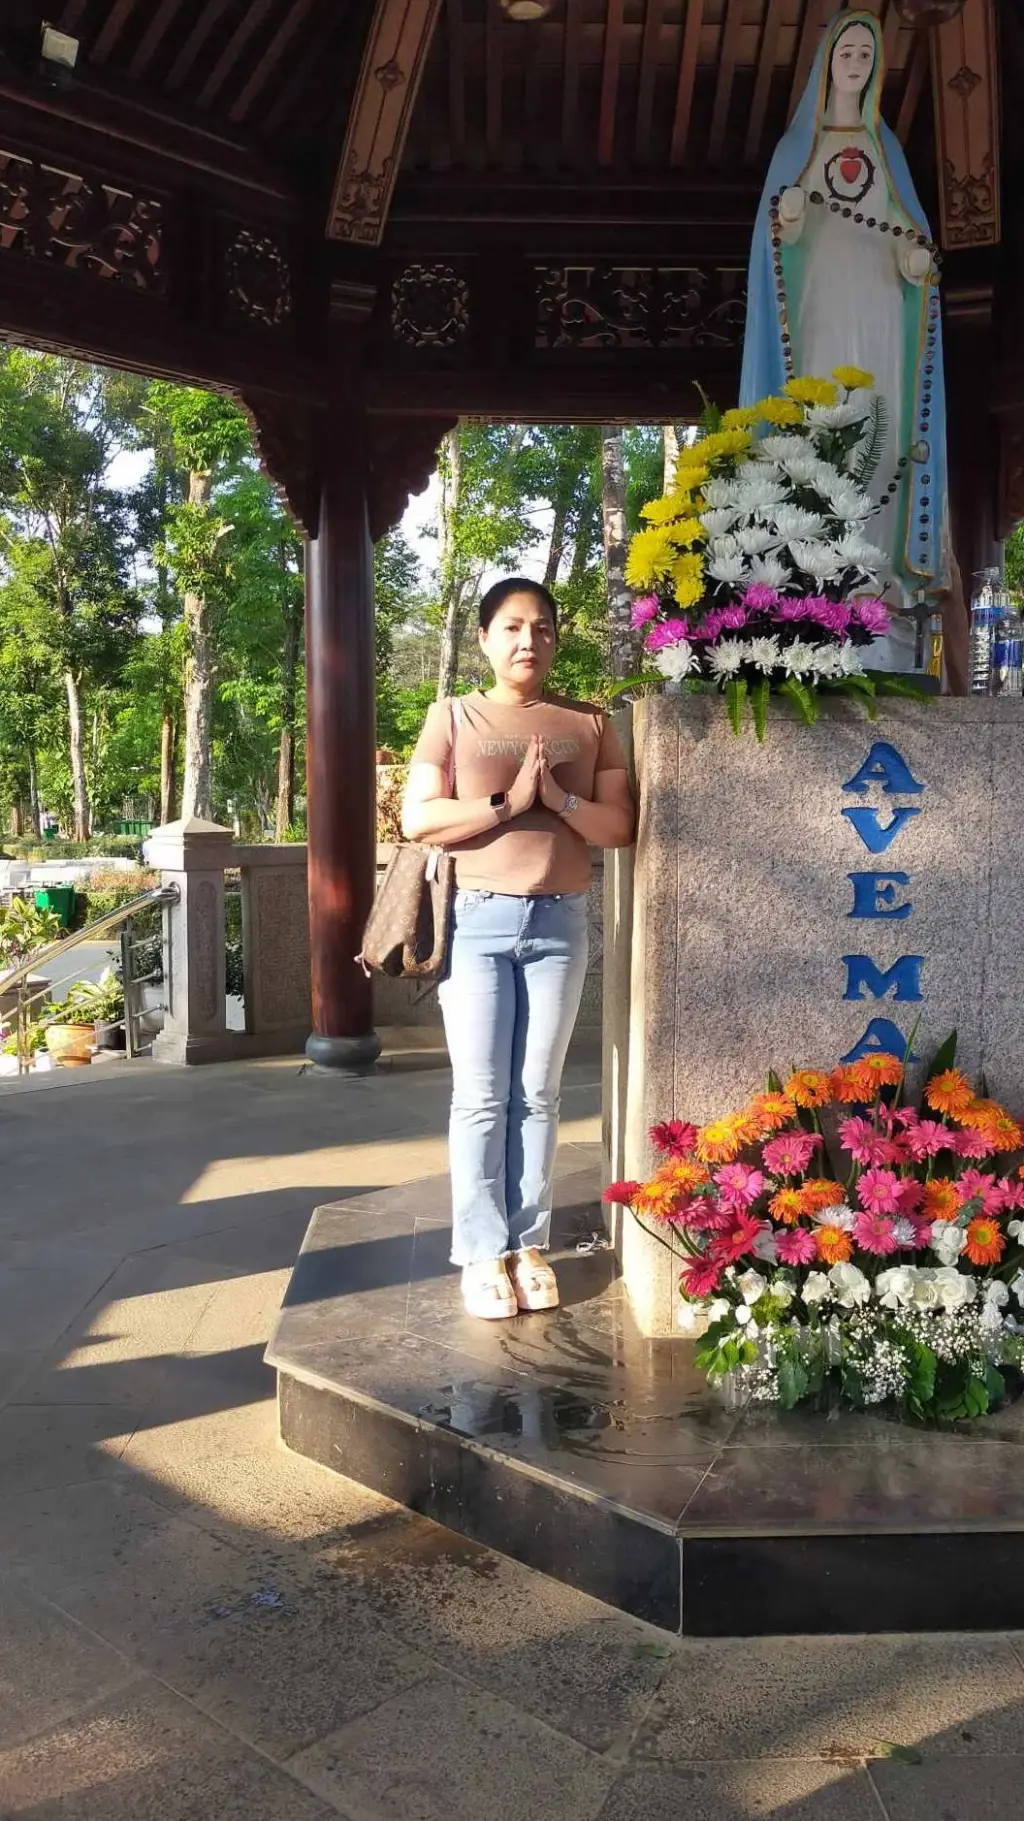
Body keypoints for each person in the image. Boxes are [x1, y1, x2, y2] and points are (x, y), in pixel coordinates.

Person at [402, 579, 635, 1321]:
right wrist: (507, 802)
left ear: (556, 638)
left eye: (541, 627)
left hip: (560, 924)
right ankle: (481, 1251)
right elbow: (418, 817)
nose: (527, 640)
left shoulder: (589, 723)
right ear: (483, 638)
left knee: (538, 1093)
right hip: (476, 923)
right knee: (481, 1095)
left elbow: (619, 827)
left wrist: (557, 799)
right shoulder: (453, 715)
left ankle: (528, 1244)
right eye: (510, 626)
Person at [740, 9, 948, 670]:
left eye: (865, 53)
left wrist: (915, 263)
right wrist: (789, 219)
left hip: (880, 311)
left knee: (879, 426)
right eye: (847, 51)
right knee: (821, 427)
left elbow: (909, 238)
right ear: (827, 62)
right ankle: (814, 575)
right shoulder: (794, 151)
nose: (856, 62)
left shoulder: (889, 153)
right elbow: (775, 243)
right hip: (818, 310)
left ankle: (874, 573)